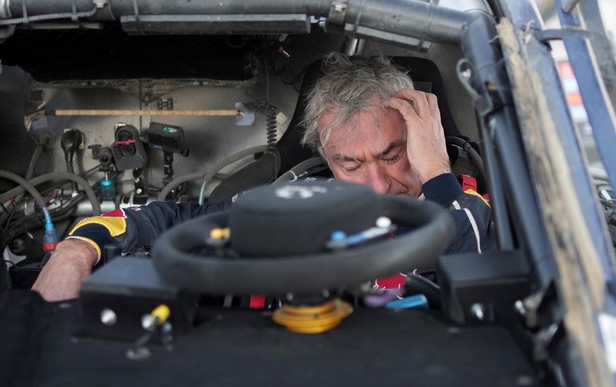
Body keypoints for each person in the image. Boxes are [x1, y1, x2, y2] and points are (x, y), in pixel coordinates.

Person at [32, 52, 494, 301]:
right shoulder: (299, 197)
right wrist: (77, 248)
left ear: (420, 140)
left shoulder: (469, 207)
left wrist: (436, 170)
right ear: (327, 158)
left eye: (393, 154)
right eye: (349, 164)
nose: (375, 185)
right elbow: (175, 220)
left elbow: (473, 289)